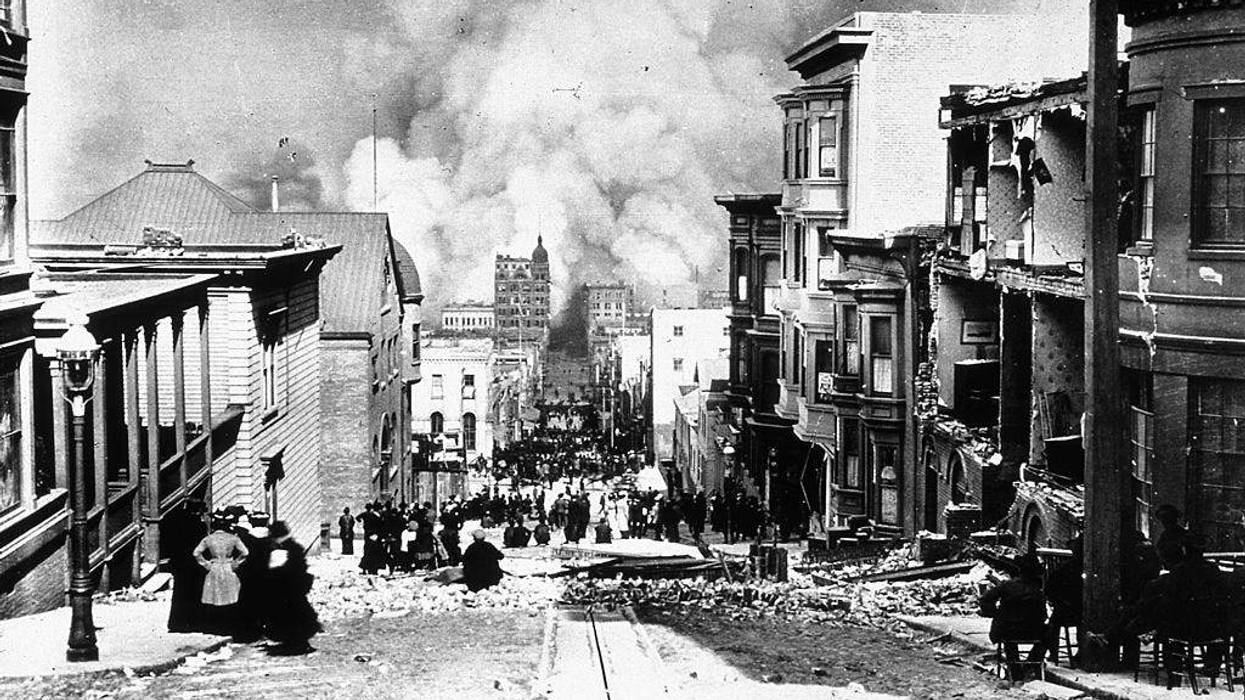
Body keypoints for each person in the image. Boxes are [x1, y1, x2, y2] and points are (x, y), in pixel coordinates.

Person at [979, 555, 1047, 681]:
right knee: (1049, 633)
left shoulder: (1007, 586)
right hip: (1033, 633)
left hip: (1009, 630)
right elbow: (1044, 616)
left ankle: (1016, 672)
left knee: (1008, 637)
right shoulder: (1038, 592)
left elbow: (985, 599)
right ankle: (1030, 663)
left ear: (1020, 571)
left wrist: (996, 613)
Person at [262, 520, 321, 654]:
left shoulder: (282, 550)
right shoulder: (293, 546)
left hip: (286, 589)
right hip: (295, 587)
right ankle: (297, 641)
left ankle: (295, 642)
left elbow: (277, 572)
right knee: (297, 614)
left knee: (289, 615)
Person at [194, 511, 250, 637]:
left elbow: (196, 553)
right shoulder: (233, 538)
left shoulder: (208, 539)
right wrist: (236, 563)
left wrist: (206, 564)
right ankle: (229, 626)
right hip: (228, 568)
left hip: (214, 568)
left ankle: (215, 627)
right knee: (230, 598)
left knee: (215, 597)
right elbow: (245, 552)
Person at [167, 499, 208, 633]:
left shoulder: (177, 523)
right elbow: (202, 547)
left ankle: (177, 623)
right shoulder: (199, 526)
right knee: (195, 594)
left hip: (180, 564)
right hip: (194, 565)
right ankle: (193, 623)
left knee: (180, 594)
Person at [1044, 537, 1083, 665]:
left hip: (1065, 610)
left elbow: (1049, 589)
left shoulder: (1064, 569)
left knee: (1052, 626)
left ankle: (1054, 653)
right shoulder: (1089, 568)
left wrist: (1058, 602)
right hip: (1081, 611)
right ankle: (1081, 653)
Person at [1155, 504, 1187, 571]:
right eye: (1162, 519)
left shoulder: (1181, 534)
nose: (1163, 522)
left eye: (1166, 518)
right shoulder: (1165, 535)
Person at [358, 502, 385, 575]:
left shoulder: (378, 516)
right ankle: (370, 568)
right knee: (370, 553)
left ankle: (374, 568)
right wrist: (371, 534)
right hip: (372, 537)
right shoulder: (371, 516)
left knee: (375, 553)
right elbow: (368, 526)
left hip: (377, 537)